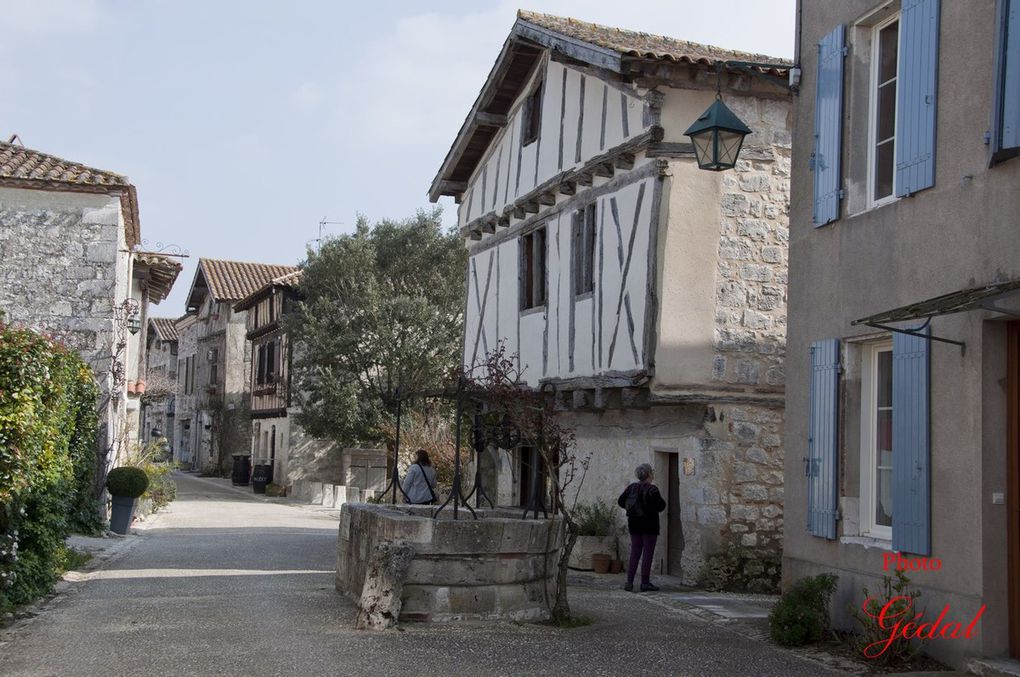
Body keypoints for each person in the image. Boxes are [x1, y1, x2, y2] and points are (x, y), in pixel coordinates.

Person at [617, 463, 667, 592]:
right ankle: (645, 582)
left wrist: (632, 509)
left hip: (634, 524)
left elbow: (621, 501)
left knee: (635, 552)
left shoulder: (631, 488)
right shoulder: (652, 490)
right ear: (649, 474)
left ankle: (629, 582)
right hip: (649, 525)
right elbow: (661, 506)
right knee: (647, 554)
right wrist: (649, 509)